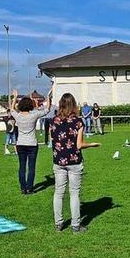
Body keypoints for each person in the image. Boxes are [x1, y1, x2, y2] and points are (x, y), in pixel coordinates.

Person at [50, 92, 100, 233]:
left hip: (59, 160)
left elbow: (53, 141)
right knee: (74, 193)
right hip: (74, 161)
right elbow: (79, 145)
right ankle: (75, 225)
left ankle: (58, 223)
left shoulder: (54, 121)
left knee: (58, 192)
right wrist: (92, 144)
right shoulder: (78, 122)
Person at [11, 88, 52, 194]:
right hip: (32, 144)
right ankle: (29, 187)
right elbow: (47, 110)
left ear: (20, 106)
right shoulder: (34, 115)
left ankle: (23, 188)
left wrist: (15, 97)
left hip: (21, 144)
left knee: (22, 167)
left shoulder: (18, 116)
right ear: (30, 105)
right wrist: (48, 98)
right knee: (31, 167)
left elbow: (11, 110)